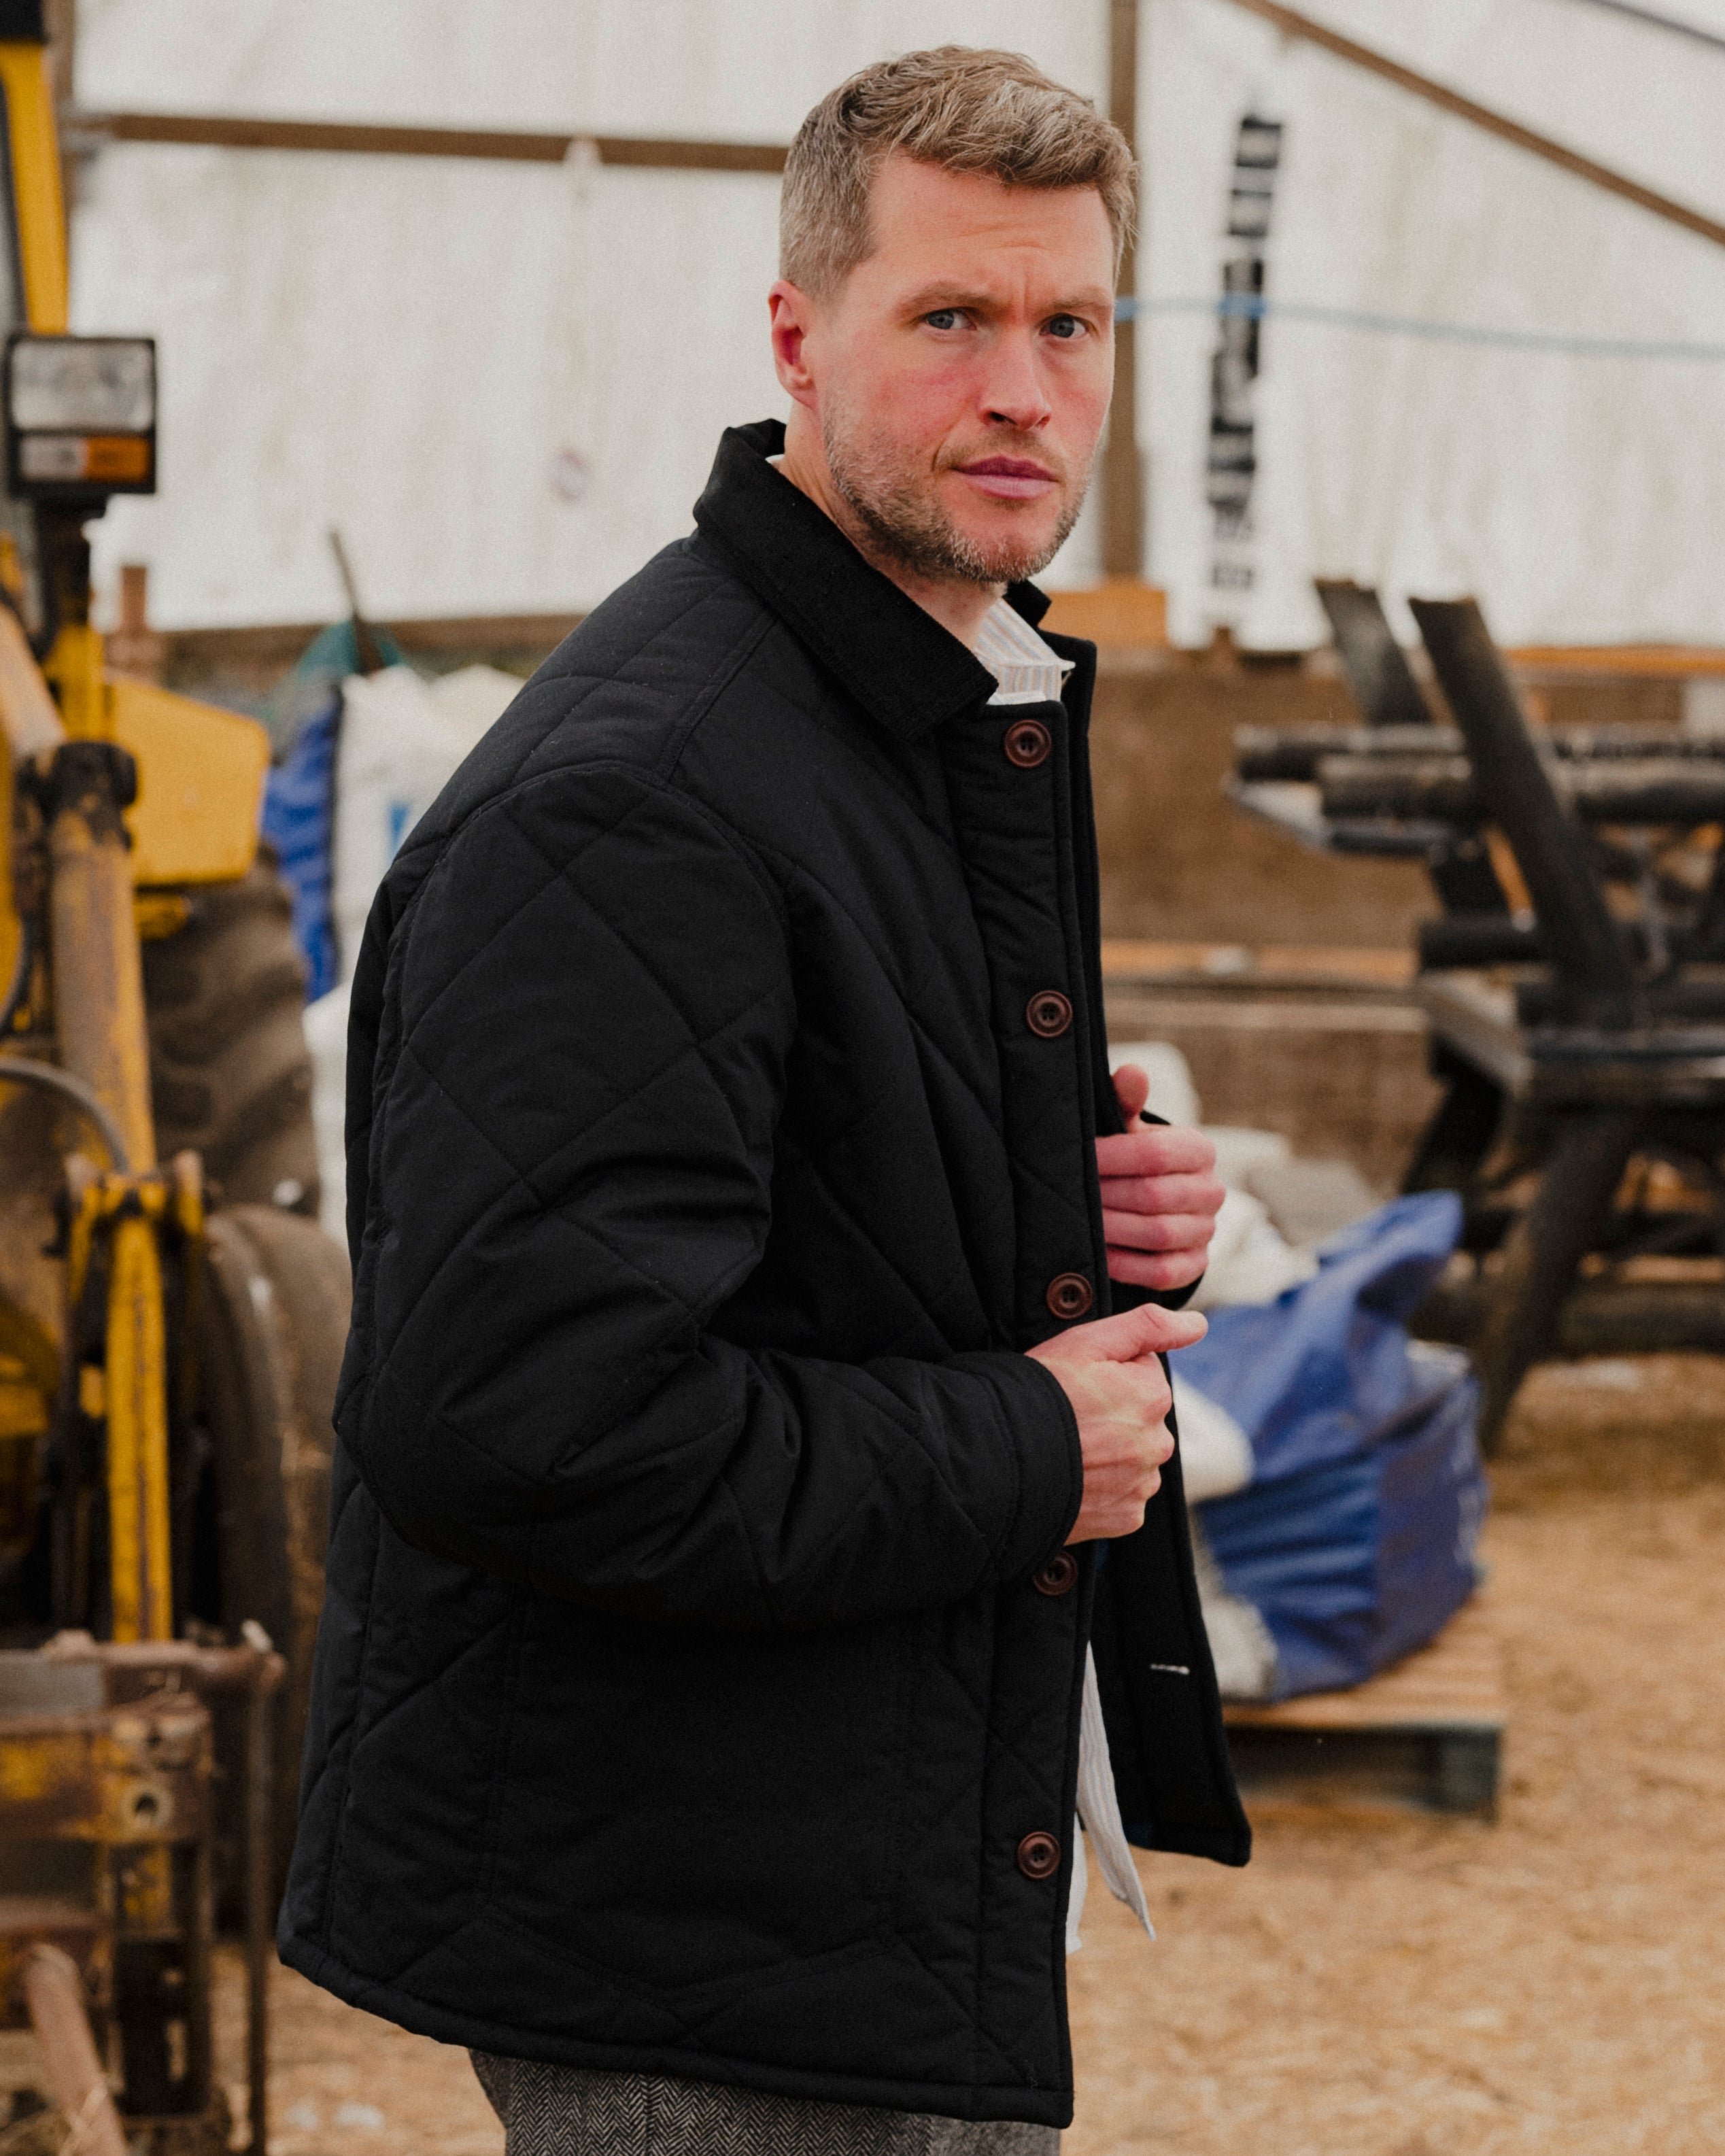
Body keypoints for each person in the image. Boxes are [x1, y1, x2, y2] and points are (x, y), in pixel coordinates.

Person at [281, 45, 1250, 2155]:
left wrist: (1062, 1198)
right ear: (798, 340)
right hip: (688, 1941)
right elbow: (529, 1419)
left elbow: (806, 1191)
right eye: (950, 317)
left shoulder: (923, 697)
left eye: (1068, 324)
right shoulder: (640, 795)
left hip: (835, 1869)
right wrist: (1027, 1442)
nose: (1023, 389)